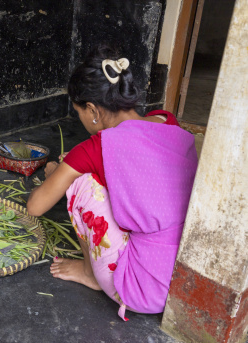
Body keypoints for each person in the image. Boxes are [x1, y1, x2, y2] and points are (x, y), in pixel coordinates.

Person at [27, 45, 198, 320]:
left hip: (141, 288)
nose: (81, 119)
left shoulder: (97, 147)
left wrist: (57, 171)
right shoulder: (168, 123)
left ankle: (89, 272)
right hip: (186, 277)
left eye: (79, 112)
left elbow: (35, 206)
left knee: (81, 182)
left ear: (92, 109)